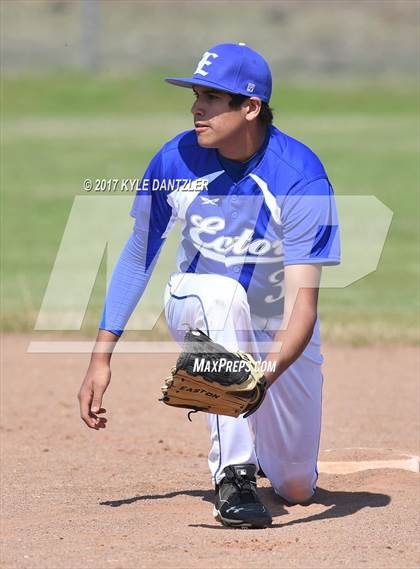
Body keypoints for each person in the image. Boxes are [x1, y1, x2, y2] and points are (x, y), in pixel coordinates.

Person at [78, 43, 340, 529]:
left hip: (277, 330)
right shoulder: (175, 160)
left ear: (251, 107)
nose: (198, 108)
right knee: (225, 297)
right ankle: (234, 476)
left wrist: (258, 379)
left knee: (298, 487)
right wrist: (101, 354)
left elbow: (304, 307)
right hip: (197, 302)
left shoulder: (301, 177)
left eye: (214, 97)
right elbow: (139, 253)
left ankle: (257, 444)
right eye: (197, 94)